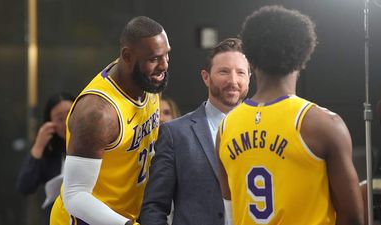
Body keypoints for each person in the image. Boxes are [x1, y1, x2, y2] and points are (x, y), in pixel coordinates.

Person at [217, 5, 364, 225]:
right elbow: (353, 219)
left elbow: (230, 206)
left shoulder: (226, 127)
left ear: (251, 60)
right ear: (303, 57)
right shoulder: (323, 125)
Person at [50, 16, 170, 225]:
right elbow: (75, 196)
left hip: (124, 216)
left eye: (166, 55)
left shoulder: (147, 82)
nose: (164, 65)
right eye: (154, 59)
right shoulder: (98, 114)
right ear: (127, 56)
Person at [140, 38, 250, 225]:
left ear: (249, 77)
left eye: (240, 72)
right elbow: (154, 207)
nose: (233, 80)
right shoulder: (175, 133)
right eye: (224, 71)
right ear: (206, 77)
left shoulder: (264, 129)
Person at [17, 92, 75, 225]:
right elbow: (25, 186)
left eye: (70, 113)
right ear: (51, 124)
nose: (66, 122)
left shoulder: (94, 143)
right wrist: (38, 146)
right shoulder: (51, 152)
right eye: (60, 119)